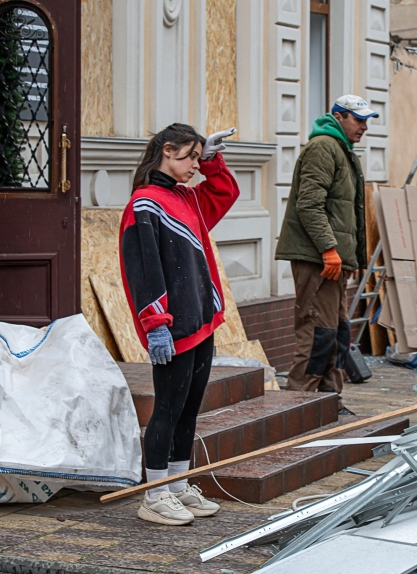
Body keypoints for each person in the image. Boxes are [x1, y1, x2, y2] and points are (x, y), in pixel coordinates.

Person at [120, 123, 239, 525]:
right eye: (190, 157)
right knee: (167, 410)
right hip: (172, 327)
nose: (194, 166)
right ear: (168, 151)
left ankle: (177, 484)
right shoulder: (145, 204)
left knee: (189, 409)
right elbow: (143, 270)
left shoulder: (186, 197)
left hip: (200, 320)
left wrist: (213, 162)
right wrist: (155, 323)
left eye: (197, 158)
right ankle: (153, 495)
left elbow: (225, 194)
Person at [275, 95, 373, 415]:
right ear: (339, 117)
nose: (364, 126)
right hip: (318, 258)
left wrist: (348, 258)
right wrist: (329, 250)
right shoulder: (323, 147)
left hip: (332, 260)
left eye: (366, 120)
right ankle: (298, 405)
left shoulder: (344, 152)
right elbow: (309, 204)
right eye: (358, 120)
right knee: (317, 332)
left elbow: (346, 214)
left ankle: (329, 401)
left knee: (335, 332)